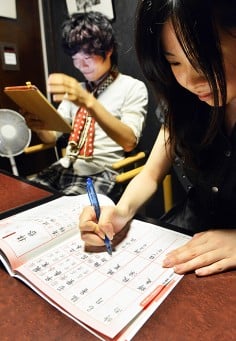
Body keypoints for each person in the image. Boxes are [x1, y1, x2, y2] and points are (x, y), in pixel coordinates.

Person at [79, 0, 236, 277]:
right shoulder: (186, 104)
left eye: (202, 59)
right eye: (174, 62)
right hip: (183, 239)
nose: (188, 79)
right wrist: (120, 212)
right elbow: (151, 175)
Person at [23, 11, 148, 197]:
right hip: (66, 166)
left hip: (103, 171)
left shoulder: (132, 87)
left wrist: (88, 101)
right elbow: (52, 137)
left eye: (87, 58)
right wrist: (38, 124)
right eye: (75, 59)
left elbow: (129, 142)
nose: (81, 66)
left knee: (65, 208)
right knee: (26, 196)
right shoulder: (77, 89)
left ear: (109, 50)